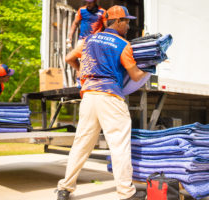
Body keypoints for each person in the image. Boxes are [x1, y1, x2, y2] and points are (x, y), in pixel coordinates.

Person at [56, 5, 147, 200]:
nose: (129, 26)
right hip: (110, 97)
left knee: (81, 145)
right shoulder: (123, 44)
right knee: (119, 145)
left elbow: (69, 58)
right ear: (118, 22)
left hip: (89, 96)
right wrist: (150, 68)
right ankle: (126, 192)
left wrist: (81, 73)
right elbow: (135, 75)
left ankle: (65, 188)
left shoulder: (88, 39)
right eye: (127, 21)